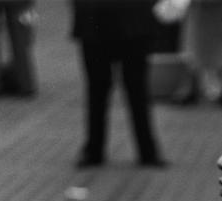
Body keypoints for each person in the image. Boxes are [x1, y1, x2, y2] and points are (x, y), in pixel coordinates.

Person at [71, 0, 166, 167]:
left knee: (133, 89)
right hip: (102, 19)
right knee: (102, 89)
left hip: (124, 19)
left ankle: (144, 150)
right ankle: (98, 149)